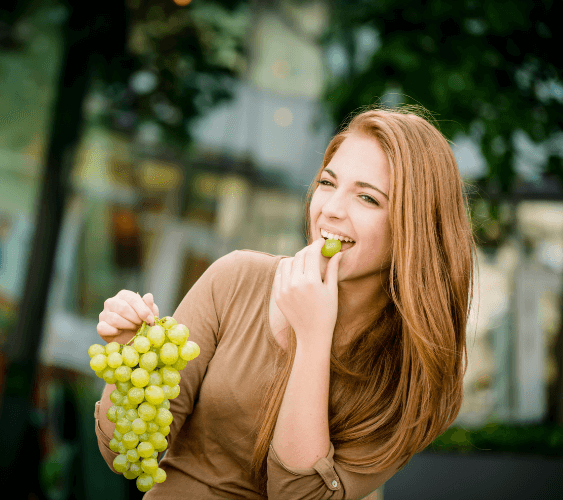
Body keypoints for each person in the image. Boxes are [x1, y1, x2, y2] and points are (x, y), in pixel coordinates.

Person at [93, 106, 475, 499]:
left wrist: (312, 338)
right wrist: (128, 355)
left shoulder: (413, 374)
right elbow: (126, 452)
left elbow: (300, 496)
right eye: (328, 183)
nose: (331, 209)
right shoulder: (236, 280)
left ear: (413, 228)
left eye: (367, 198)